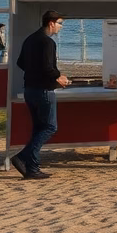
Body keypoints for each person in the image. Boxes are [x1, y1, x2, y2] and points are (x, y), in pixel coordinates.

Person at [11, 10, 70, 180]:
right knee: (50, 127)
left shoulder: (30, 39)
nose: (61, 27)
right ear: (51, 23)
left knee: (38, 129)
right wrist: (59, 77)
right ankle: (22, 156)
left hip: (29, 89)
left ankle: (32, 168)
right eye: (60, 23)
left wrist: (35, 73)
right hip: (44, 90)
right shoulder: (47, 42)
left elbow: (21, 63)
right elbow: (48, 68)